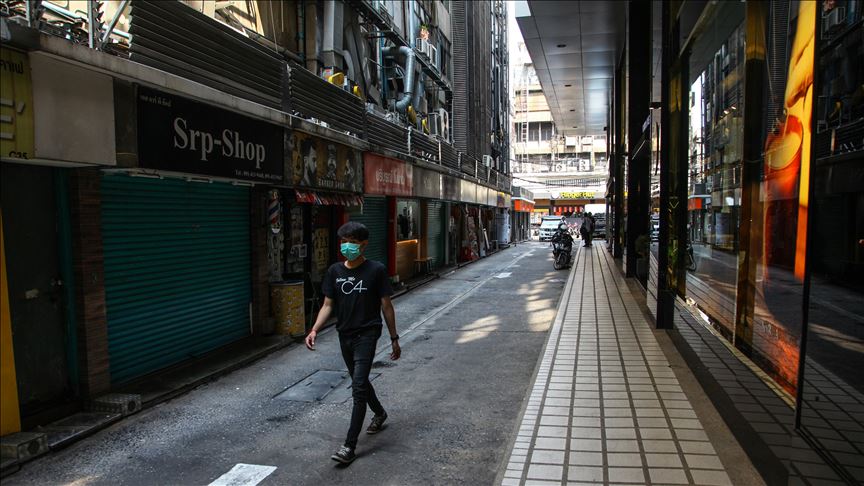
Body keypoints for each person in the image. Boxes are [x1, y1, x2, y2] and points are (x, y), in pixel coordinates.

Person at [305, 221, 401, 464]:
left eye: (352, 242)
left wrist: (394, 338)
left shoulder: (376, 270)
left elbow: (386, 306)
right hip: (344, 334)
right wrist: (314, 329)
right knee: (360, 381)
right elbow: (328, 305)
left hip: (368, 333)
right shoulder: (335, 271)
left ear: (364, 245)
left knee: (357, 387)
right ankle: (379, 413)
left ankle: (349, 446)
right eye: (344, 241)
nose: (347, 246)